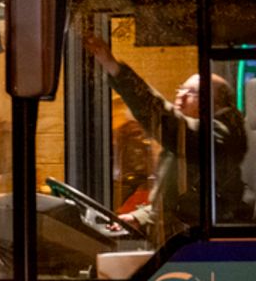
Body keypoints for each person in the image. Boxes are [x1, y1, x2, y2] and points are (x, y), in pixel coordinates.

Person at [84, 36, 249, 243]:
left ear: (212, 102)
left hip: (194, 247)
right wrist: (139, 217)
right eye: (180, 89)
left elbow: (166, 120)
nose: (179, 96)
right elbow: (175, 201)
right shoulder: (192, 139)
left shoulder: (216, 137)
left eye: (190, 93)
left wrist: (115, 68)